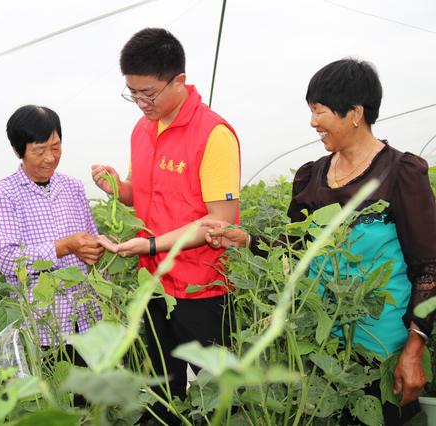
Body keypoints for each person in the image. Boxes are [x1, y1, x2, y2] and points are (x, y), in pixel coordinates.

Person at [205, 58, 436, 424]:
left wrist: (413, 349)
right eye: (311, 111)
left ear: (355, 113)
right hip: (319, 345)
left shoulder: (400, 174)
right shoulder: (312, 177)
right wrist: (247, 239)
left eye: (320, 111)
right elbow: (293, 250)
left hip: (380, 351)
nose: (313, 122)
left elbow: (428, 266)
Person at [91, 28, 241, 423]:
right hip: (153, 286)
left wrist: (154, 244)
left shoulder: (213, 134)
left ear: (179, 81)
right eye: (132, 93)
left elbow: (220, 223)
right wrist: (116, 188)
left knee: (214, 395)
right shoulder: (142, 130)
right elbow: (141, 195)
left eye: (148, 93)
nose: (140, 103)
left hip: (201, 289)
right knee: (163, 390)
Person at [0, 105, 104, 356]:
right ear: (18, 150)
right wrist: (64, 247)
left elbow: (91, 244)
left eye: (55, 147)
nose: (50, 158)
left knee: (90, 393)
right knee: (56, 391)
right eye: (39, 150)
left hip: (86, 319)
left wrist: (102, 247)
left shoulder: (73, 187)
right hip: (43, 325)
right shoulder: (5, 193)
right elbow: (8, 261)